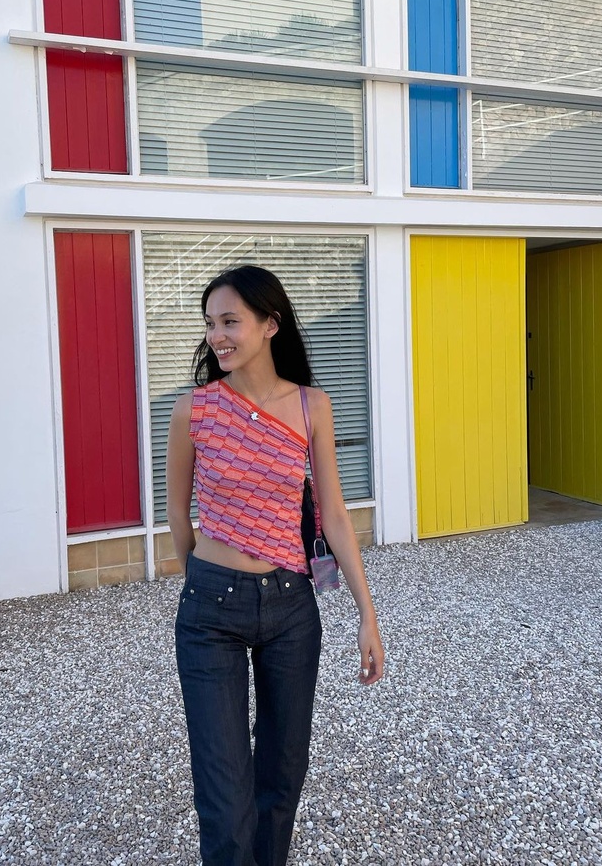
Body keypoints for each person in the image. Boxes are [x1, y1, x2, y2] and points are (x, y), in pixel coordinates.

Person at [166, 264, 384, 866]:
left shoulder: (313, 407)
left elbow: (333, 514)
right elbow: (178, 516)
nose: (217, 336)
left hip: (291, 609)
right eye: (210, 324)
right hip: (210, 612)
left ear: (270, 324)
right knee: (223, 791)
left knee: (282, 776)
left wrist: (366, 614)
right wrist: (203, 579)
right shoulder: (194, 410)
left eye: (229, 321)